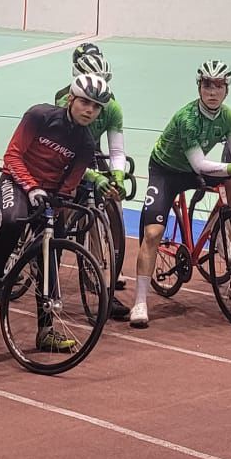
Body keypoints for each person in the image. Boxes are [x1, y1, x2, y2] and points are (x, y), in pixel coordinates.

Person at [0, 74, 108, 352]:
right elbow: (12, 156)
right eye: (85, 102)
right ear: (71, 99)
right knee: (14, 220)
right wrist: (30, 187)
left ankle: (46, 330)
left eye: (96, 106)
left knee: (50, 253)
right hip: (16, 181)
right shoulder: (39, 115)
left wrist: (60, 207)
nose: (90, 110)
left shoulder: (86, 142)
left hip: (48, 193)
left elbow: (70, 183)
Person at [129, 60, 231, 328]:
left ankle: (226, 234)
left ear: (227, 90)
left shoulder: (229, 117)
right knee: (152, 234)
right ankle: (140, 301)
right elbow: (199, 163)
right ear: (199, 87)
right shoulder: (187, 118)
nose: (213, 91)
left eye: (219, 86)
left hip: (193, 169)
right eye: (207, 85)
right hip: (166, 171)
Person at [55, 47, 128, 291]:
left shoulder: (112, 106)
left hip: (92, 155)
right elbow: (65, 153)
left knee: (112, 203)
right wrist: (93, 176)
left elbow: (117, 150)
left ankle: (107, 267)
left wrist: (117, 177)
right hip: (65, 154)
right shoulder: (64, 98)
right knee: (61, 207)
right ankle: (48, 254)